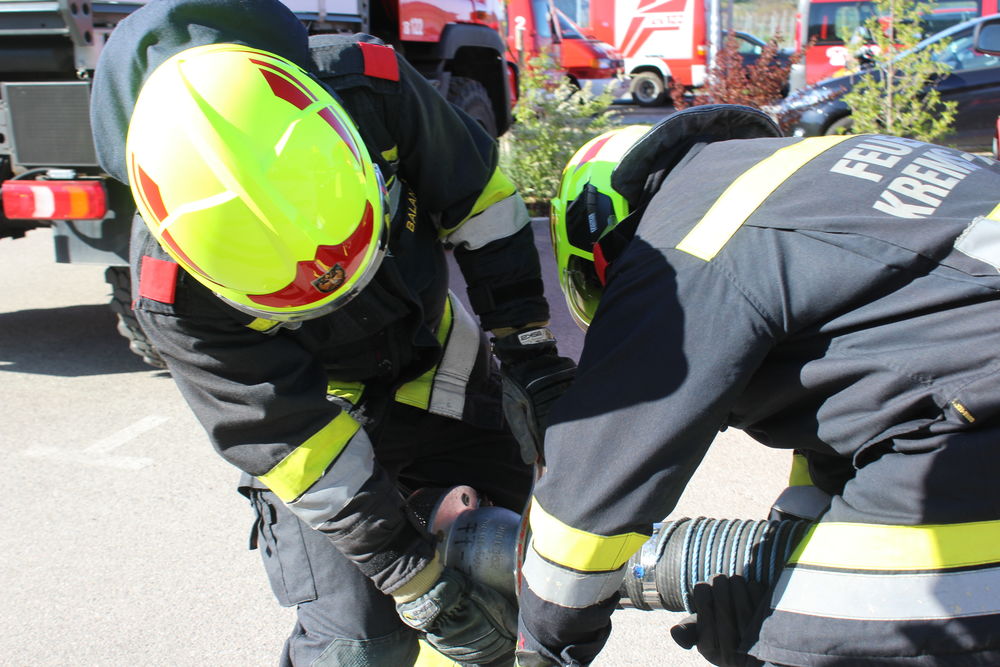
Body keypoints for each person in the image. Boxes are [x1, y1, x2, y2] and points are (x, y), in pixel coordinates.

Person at [88, 0, 576, 664]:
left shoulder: (372, 88)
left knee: (525, 579)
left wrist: (528, 353)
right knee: (358, 645)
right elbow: (291, 440)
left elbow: (481, 202)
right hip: (321, 424)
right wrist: (412, 577)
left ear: (343, 141)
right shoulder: (172, 291)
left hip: (445, 379)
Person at [516, 104, 1000, 667]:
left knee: (825, 641)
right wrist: (780, 562)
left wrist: (541, 645)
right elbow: (868, 394)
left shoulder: (682, 248)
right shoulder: (802, 178)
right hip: (968, 401)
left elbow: (588, 502)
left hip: (976, 418)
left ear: (596, 242)